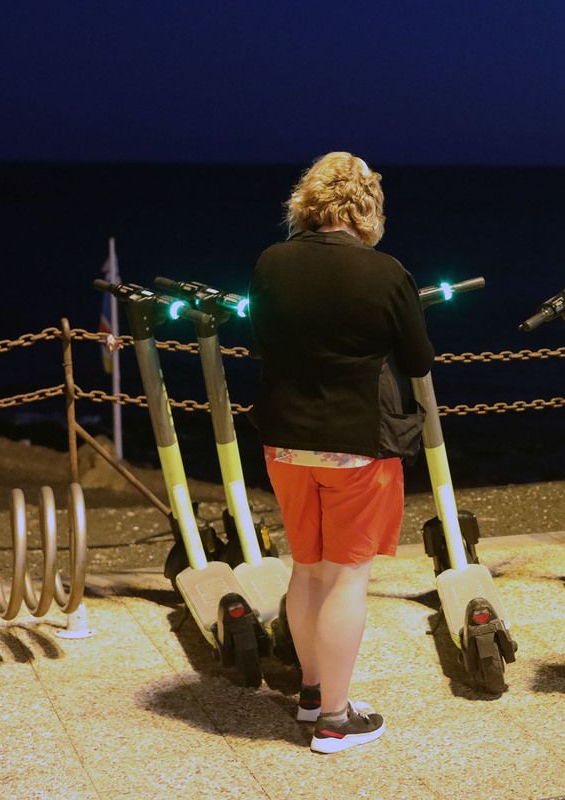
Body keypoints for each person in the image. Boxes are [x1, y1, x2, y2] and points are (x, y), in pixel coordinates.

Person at [250, 151, 434, 752]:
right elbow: (418, 359)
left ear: (309, 200)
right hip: (356, 446)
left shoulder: (272, 262)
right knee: (348, 576)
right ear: (368, 204)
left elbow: (263, 339)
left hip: (285, 443)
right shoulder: (385, 273)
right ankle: (335, 716)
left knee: (305, 567)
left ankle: (309, 692)